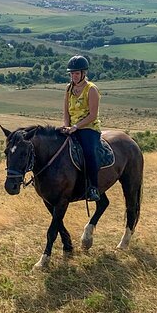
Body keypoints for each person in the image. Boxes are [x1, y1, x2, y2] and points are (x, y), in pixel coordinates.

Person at [61, 55, 101, 202]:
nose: (74, 76)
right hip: (71, 127)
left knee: (88, 152)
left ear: (83, 73)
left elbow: (93, 115)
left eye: (76, 73)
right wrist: (66, 126)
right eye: (72, 73)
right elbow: (66, 110)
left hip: (88, 128)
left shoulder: (91, 90)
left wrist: (76, 127)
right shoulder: (68, 88)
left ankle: (93, 187)